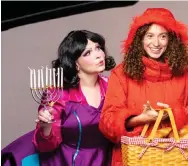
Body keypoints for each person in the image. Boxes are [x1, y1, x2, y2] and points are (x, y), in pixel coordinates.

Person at [99, 8, 188, 166]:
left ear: (172, 40)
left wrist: (175, 115)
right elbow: (107, 124)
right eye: (150, 36)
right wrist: (138, 119)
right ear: (140, 39)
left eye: (163, 36)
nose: (156, 43)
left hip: (174, 160)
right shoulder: (121, 74)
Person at [2, 30, 116, 166]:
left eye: (98, 48)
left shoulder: (113, 86)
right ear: (75, 63)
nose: (98, 55)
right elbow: (45, 145)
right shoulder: (58, 94)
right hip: (67, 161)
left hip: (107, 160)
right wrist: (46, 128)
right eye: (88, 53)